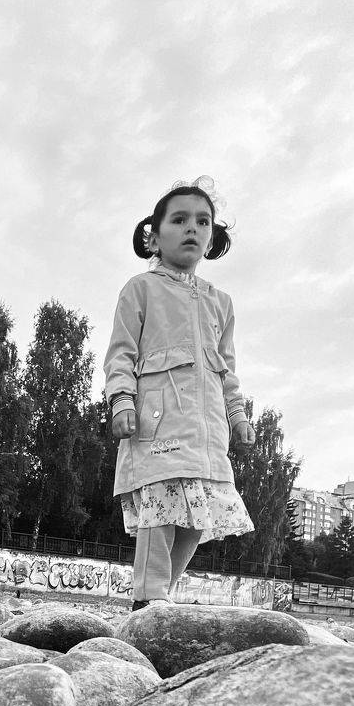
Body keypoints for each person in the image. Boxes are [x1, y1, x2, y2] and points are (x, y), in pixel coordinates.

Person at [104, 175, 256, 609]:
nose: (193, 227)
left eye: (203, 221)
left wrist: (238, 414)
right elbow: (120, 353)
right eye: (180, 219)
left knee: (199, 517)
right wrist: (121, 399)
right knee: (161, 508)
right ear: (153, 237)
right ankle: (148, 597)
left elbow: (227, 369)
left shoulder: (220, 302)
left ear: (211, 237)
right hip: (158, 423)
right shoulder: (141, 289)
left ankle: (160, 596)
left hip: (207, 434)